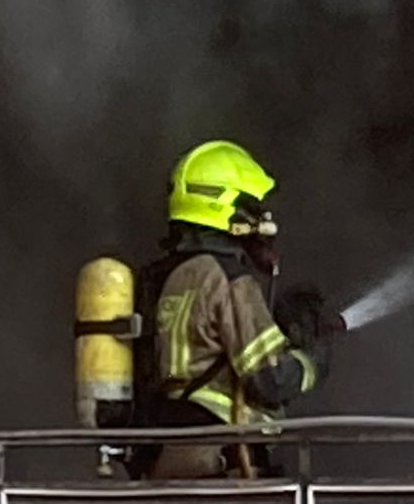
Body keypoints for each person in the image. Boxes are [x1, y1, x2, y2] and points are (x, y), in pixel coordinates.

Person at [128, 140, 343, 479]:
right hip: (221, 463)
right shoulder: (228, 280)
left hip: (161, 460)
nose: (262, 219)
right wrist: (312, 358)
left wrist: (278, 326)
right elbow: (270, 379)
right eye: (252, 206)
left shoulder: (160, 277)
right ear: (226, 207)